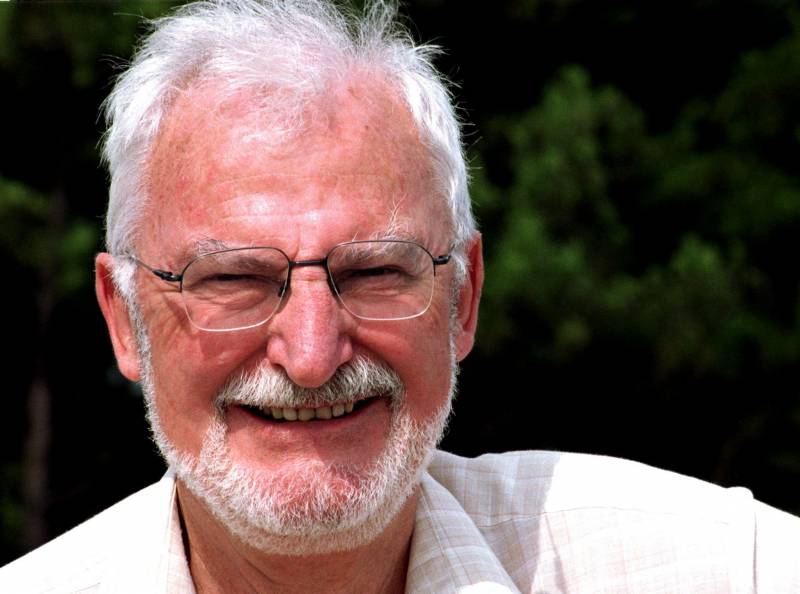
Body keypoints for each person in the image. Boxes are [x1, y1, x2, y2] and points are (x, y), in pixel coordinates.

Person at [2, 0, 799, 592]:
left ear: (464, 298)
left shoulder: (731, 567)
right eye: (234, 279)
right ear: (124, 318)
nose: (312, 356)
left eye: (375, 272)